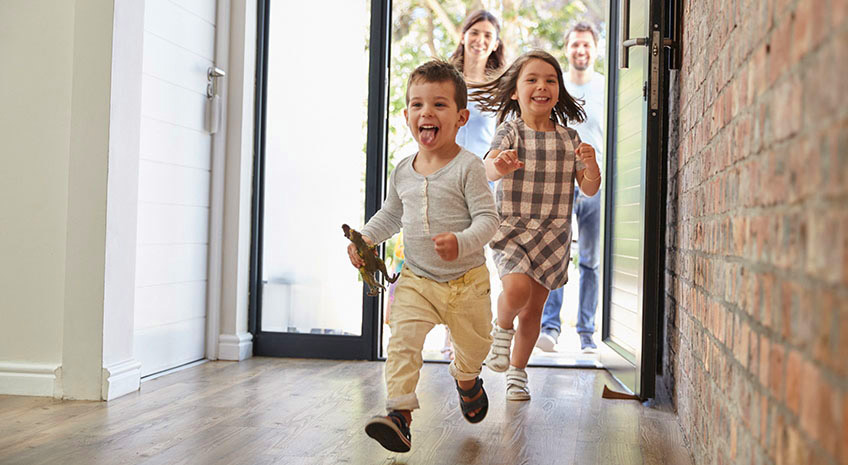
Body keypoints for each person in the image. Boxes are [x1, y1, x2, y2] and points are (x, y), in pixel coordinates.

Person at [349, 60, 499, 452]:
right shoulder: (402, 170)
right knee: (402, 341)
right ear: (406, 116)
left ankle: (467, 380)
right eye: (417, 105)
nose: (426, 113)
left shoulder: (470, 168)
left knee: (475, 347)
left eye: (439, 105)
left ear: (461, 117)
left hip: (467, 283)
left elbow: (489, 219)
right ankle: (399, 415)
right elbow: (391, 214)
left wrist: (463, 241)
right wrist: (365, 239)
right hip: (416, 279)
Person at [471, 50, 601, 401]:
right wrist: (501, 164)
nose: (541, 86)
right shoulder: (509, 131)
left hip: (554, 237)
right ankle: (501, 330)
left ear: (559, 90)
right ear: (515, 91)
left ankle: (517, 372)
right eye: (532, 79)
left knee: (533, 312)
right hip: (513, 231)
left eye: (550, 80)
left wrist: (591, 166)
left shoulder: (570, 139)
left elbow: (589, 188)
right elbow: (487, 170)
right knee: (516, 292)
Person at [438, 9, 506, 360]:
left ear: (495, 45)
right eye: (475, 32)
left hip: (480, 178)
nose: (480, 40)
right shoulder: (448, 81)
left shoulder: (499, 90)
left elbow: (501, 138)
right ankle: (452, 337)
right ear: (464, 35)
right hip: (444, 174)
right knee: (450, 255)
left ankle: (473, 334)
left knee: (474, 256)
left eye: (488, 36)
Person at [536, 22, 606, 353]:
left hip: (593, 183)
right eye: (575, 44)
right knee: (555, 255)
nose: (581, 50)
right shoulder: (556, 89)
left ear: (596, 49)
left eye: (587, 45)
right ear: (567, 48)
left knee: (591, 259)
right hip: (560, 184)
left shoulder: (607, 89)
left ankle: (587, 333)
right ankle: (550, 328)